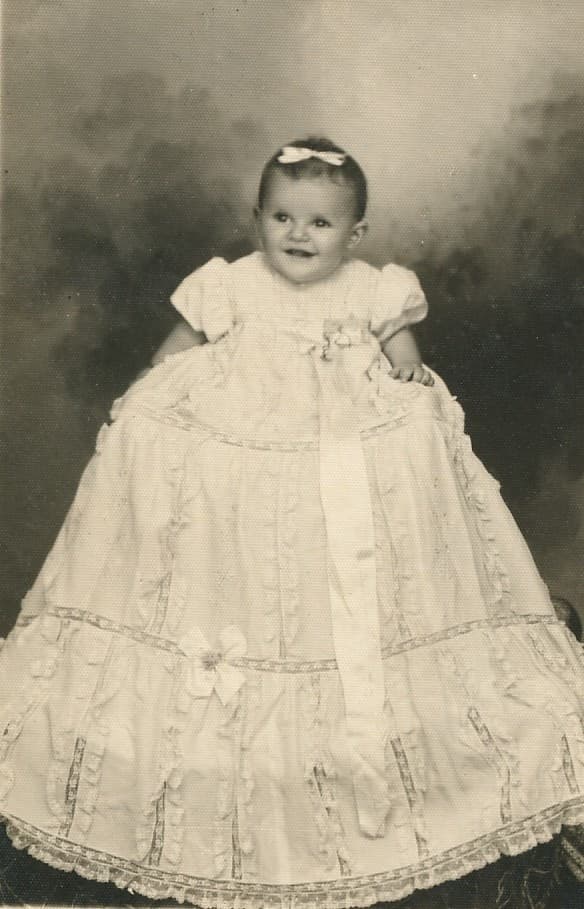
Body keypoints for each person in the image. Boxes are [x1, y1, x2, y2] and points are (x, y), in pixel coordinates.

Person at [1, 136, 583, 909]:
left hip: (339, 436)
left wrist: (404, 368)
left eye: (319, 222)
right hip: (244, 431)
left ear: (356, 235)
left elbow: (399, 346)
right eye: (282, 217)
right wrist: (147, 391)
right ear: (256, 220)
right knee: (214, 501)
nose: (299, 235)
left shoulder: (372, 287)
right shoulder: (230, 284)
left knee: (388, 465)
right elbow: (174, 351)